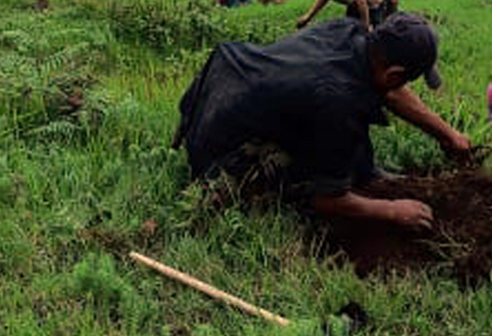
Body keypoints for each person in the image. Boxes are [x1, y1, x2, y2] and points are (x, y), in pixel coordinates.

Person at [172, 14, 472, 230]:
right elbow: (326, 200)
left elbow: (391, 93)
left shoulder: (347, 31)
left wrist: (447, 134)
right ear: (393, 73)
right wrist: (392, 211)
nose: (402, 85)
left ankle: (364, 175)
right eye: (407, 78)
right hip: (221, 144)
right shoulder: (335, 101)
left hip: (230, 85)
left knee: (350, 127)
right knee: (306, 180)